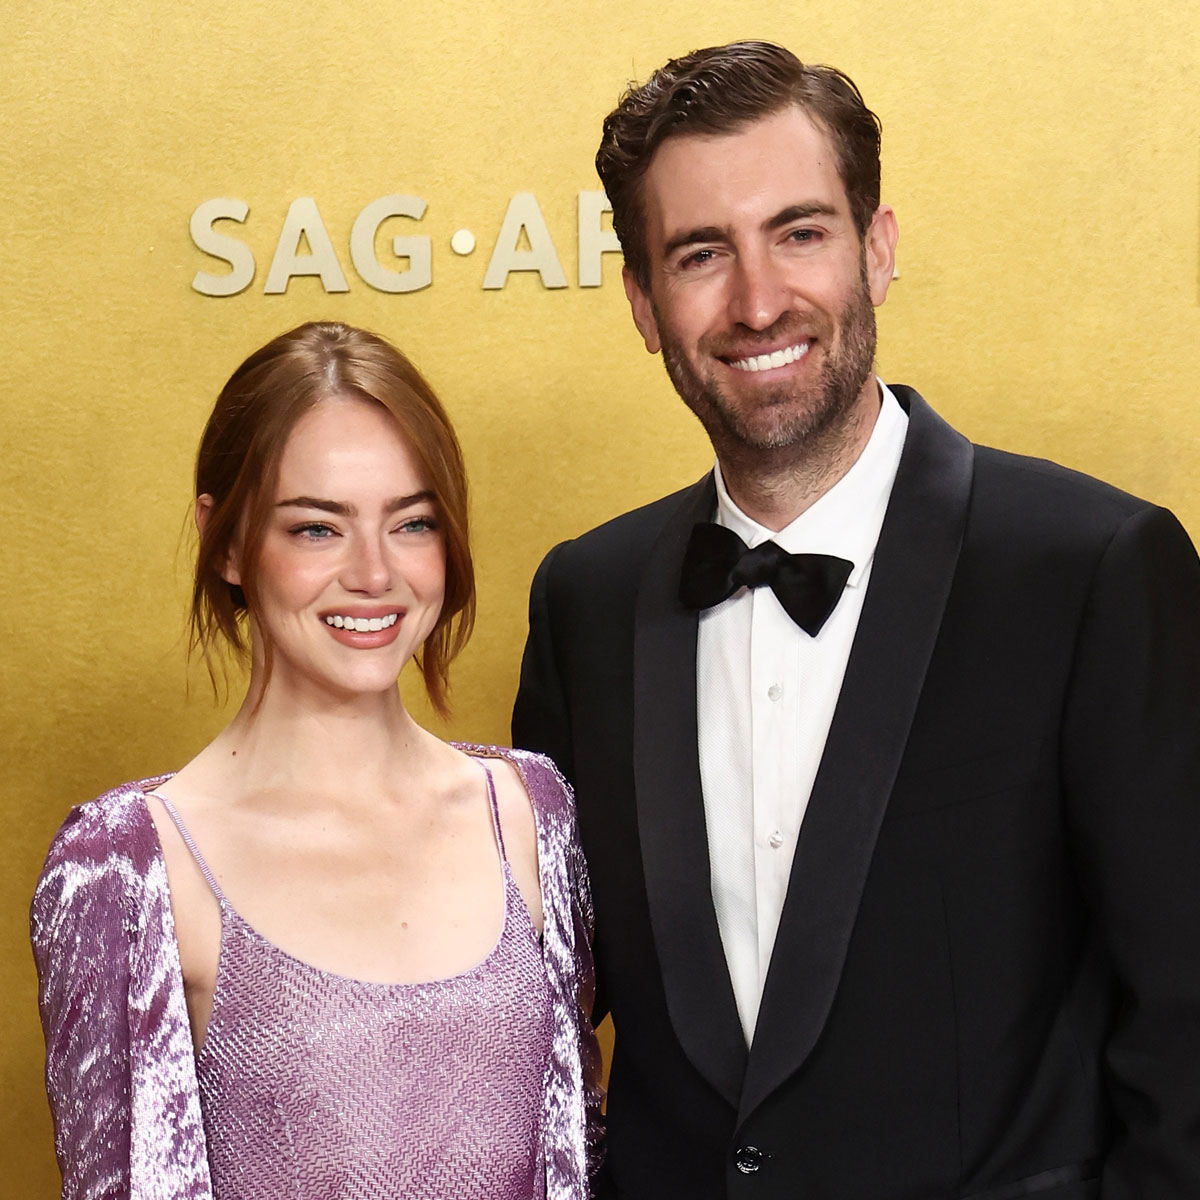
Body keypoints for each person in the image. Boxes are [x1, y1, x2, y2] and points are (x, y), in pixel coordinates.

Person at [512, 40, 1200, 1200]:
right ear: (642, 302)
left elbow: (1186, 1020)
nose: (758, 301)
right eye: (700, 253)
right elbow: (537, 1009)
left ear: (877, 249)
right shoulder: (585, 598)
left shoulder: (1092, 569)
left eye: (799, 232)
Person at [32, 321, 601, 1200]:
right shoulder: (126, 868)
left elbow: (578, 1157)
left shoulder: (531, 811)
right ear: (226, 542)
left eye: (412, 523)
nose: (374, 574)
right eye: (315, 529)